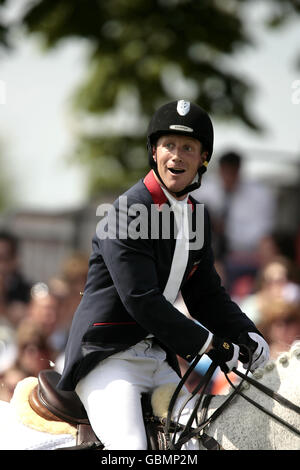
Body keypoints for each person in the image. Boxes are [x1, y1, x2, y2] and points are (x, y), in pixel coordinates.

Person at [58, 100, 269, 450]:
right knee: (131, 448)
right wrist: (211, 345)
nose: (177, 155)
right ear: (154, 152)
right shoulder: (127, 212)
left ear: (203, 159)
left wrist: (248, 334)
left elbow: (206, 296)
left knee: (201, 442)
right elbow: (141, 300)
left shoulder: (197, 216)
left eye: (188, 147)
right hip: (108, 358)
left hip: (158, 359)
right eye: (169, 145)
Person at [192, 151, 276, 292]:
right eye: (226, 171)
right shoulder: (204, 191)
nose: (229, 176)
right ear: (220, 170)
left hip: (245, 253)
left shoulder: (259, 195)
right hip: (211, 252)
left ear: (239, 170)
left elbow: (263, 236)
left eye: (232, 172)